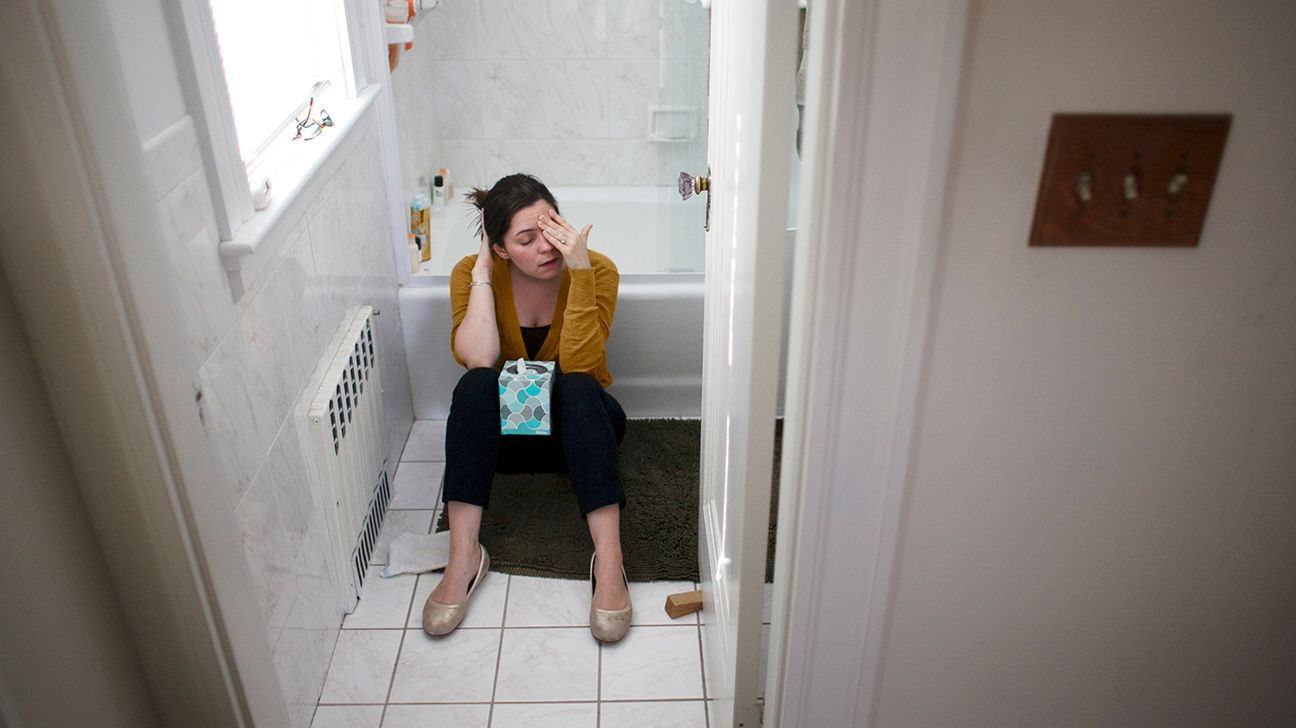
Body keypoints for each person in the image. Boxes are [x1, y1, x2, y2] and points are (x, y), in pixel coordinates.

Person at [422, 173, 632, 642]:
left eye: (551, 227)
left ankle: (611, 562)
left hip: (582, 433)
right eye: (526, 239)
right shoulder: (472, 273)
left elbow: (581, 363)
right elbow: (477, 358)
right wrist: (480, 276)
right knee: (475, 385)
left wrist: (579, 274)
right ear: (499, 248)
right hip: (506, 444)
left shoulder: (597, 269)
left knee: (576, 387)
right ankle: (464, 558)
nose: (547, 247)